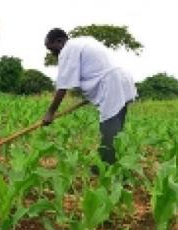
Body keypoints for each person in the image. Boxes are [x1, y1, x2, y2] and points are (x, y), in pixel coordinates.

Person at [42, 28, 137, 165]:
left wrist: (50, 113)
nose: (54, 54)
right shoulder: (84, 41)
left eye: (52, 50)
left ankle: (106, 165)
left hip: (111, 82)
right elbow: (94, 69)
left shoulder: (68, 49)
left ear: (59, 41)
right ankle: (110, 163)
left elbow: (63, 85)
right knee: (117, 124)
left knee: (108, 127)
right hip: (123, 78)